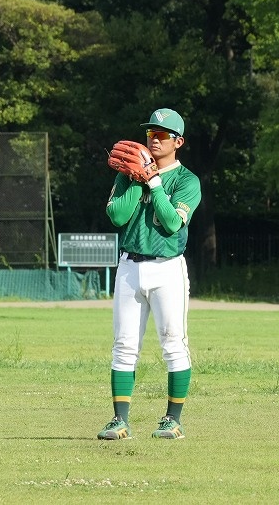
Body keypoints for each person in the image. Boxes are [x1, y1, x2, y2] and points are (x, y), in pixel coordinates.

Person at [98, 108, 202, 440]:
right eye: (150, 134)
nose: (154, 140)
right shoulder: (127, 173)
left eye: (161, 135)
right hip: (129, 267)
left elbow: (171, 223)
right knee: (124, 345)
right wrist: (135, 179)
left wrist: (154, 182)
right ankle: (120, 420)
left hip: (167, 268)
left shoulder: (187, 181)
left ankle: (173, 420)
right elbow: (117, 216)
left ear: (178, 142)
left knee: (173, 343)